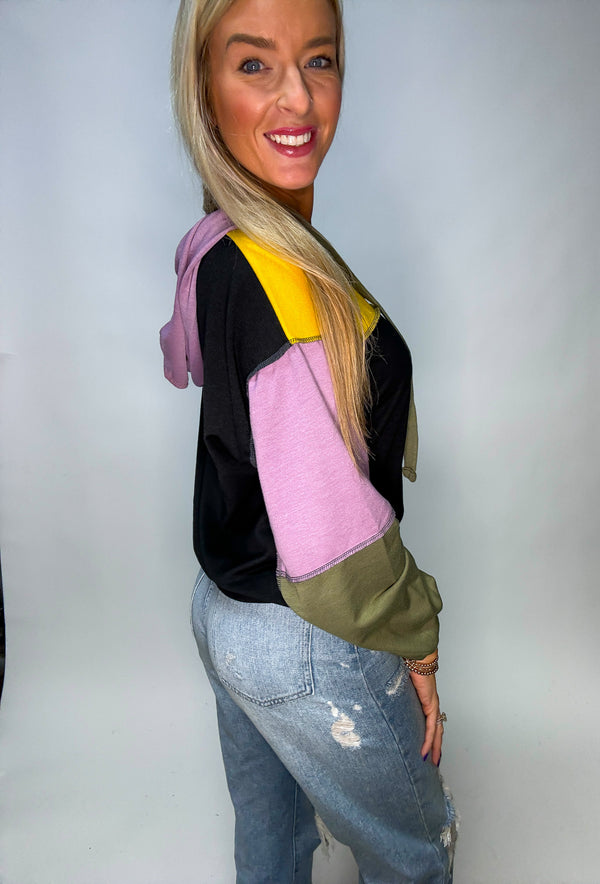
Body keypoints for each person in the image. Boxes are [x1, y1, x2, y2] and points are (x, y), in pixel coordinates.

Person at [161, 0, 458, 880]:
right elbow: (332, 546)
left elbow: (188, 359)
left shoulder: (217, 245)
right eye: (254, 64)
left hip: (224, 614)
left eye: (318, 60)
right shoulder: (280, 286)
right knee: (415, 855)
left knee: (275, 843)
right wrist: (417, 639)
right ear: (205, 89)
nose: (297, 97)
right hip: (308, 632)